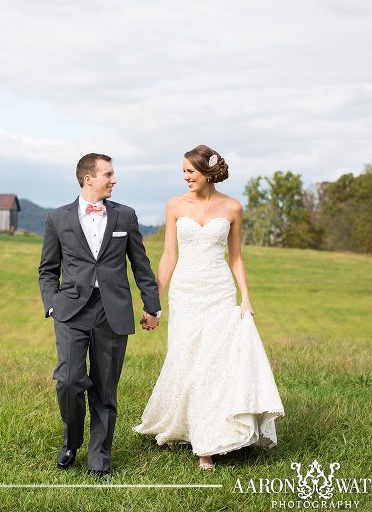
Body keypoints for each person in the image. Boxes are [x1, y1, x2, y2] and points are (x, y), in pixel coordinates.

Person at [133, 144, 284, 471]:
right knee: (186, 358)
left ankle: (208, 444)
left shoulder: (232, 207)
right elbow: (169, 256)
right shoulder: (175, 205)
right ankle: (186, 426)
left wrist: (246, 297)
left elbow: (236, 257)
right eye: (184, 171)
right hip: (185, 293)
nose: (185, 176)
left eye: (190, 171)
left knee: (213, 365)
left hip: (219, 292)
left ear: (207, 172)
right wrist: (153, 301)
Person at [38, 153, 162, 478]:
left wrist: (152, 305)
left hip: (113, 311)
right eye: (108, 174)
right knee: (68, 380)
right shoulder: (57, 218)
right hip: (71, 310)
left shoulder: (126, 216)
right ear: (88, 178)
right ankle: (71, 440)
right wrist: (52, 304)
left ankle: (99, 458)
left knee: (106, 388)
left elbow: (141, 265)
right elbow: (48, 269)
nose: (113, 179)